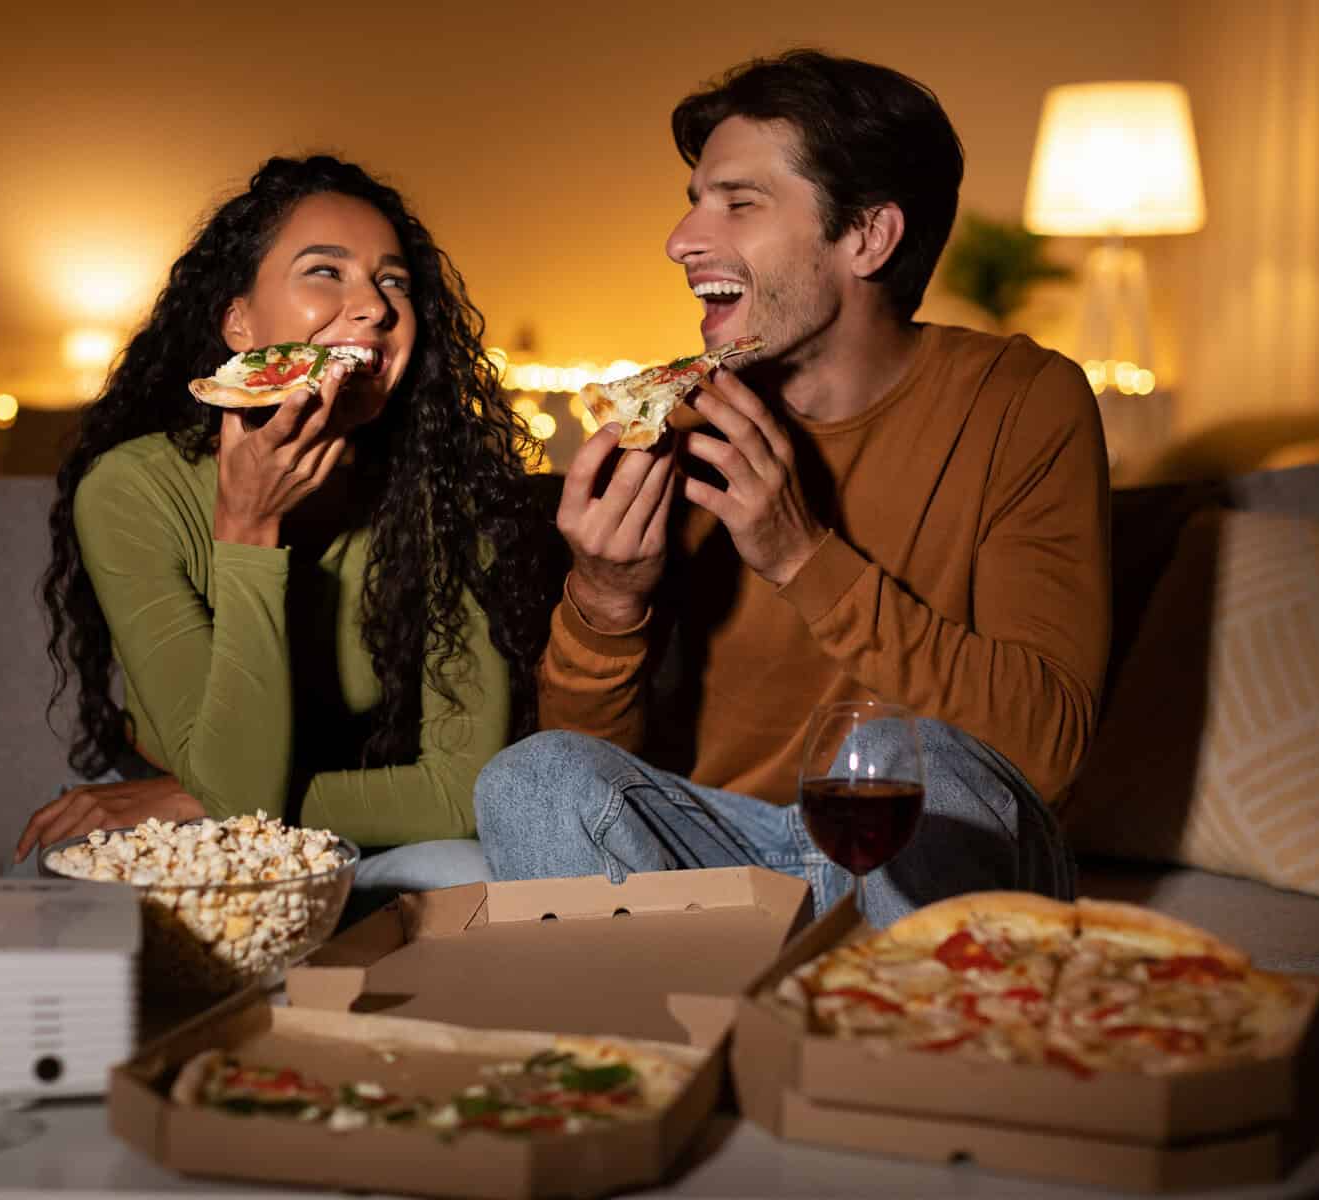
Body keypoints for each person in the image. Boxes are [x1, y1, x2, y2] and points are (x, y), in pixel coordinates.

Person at [473, 50, 1111, 927]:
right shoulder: (677, 423)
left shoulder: (1022, 400)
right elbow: (589, 773)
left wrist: (801, 556)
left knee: (905, 755)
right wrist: (606, 598)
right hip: (725, 856)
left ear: (868, 237)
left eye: (738, 203)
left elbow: (1046, 746)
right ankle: (706, 1001)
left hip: (923, 839)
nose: (681, 241)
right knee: (529, 776)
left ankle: (885, 1002)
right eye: (694, 202)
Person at [13, 155, 552, 895]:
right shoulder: (134, 489)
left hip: (338, 815)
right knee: (57, 886)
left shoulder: (446, 500)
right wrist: (248, 528)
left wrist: (197, 799)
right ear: (239, 322)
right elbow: (234, 798)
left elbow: (461, 794)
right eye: (325, 272)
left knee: (473, 876)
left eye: (393, 281)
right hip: (174, 827)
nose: (375, 307)